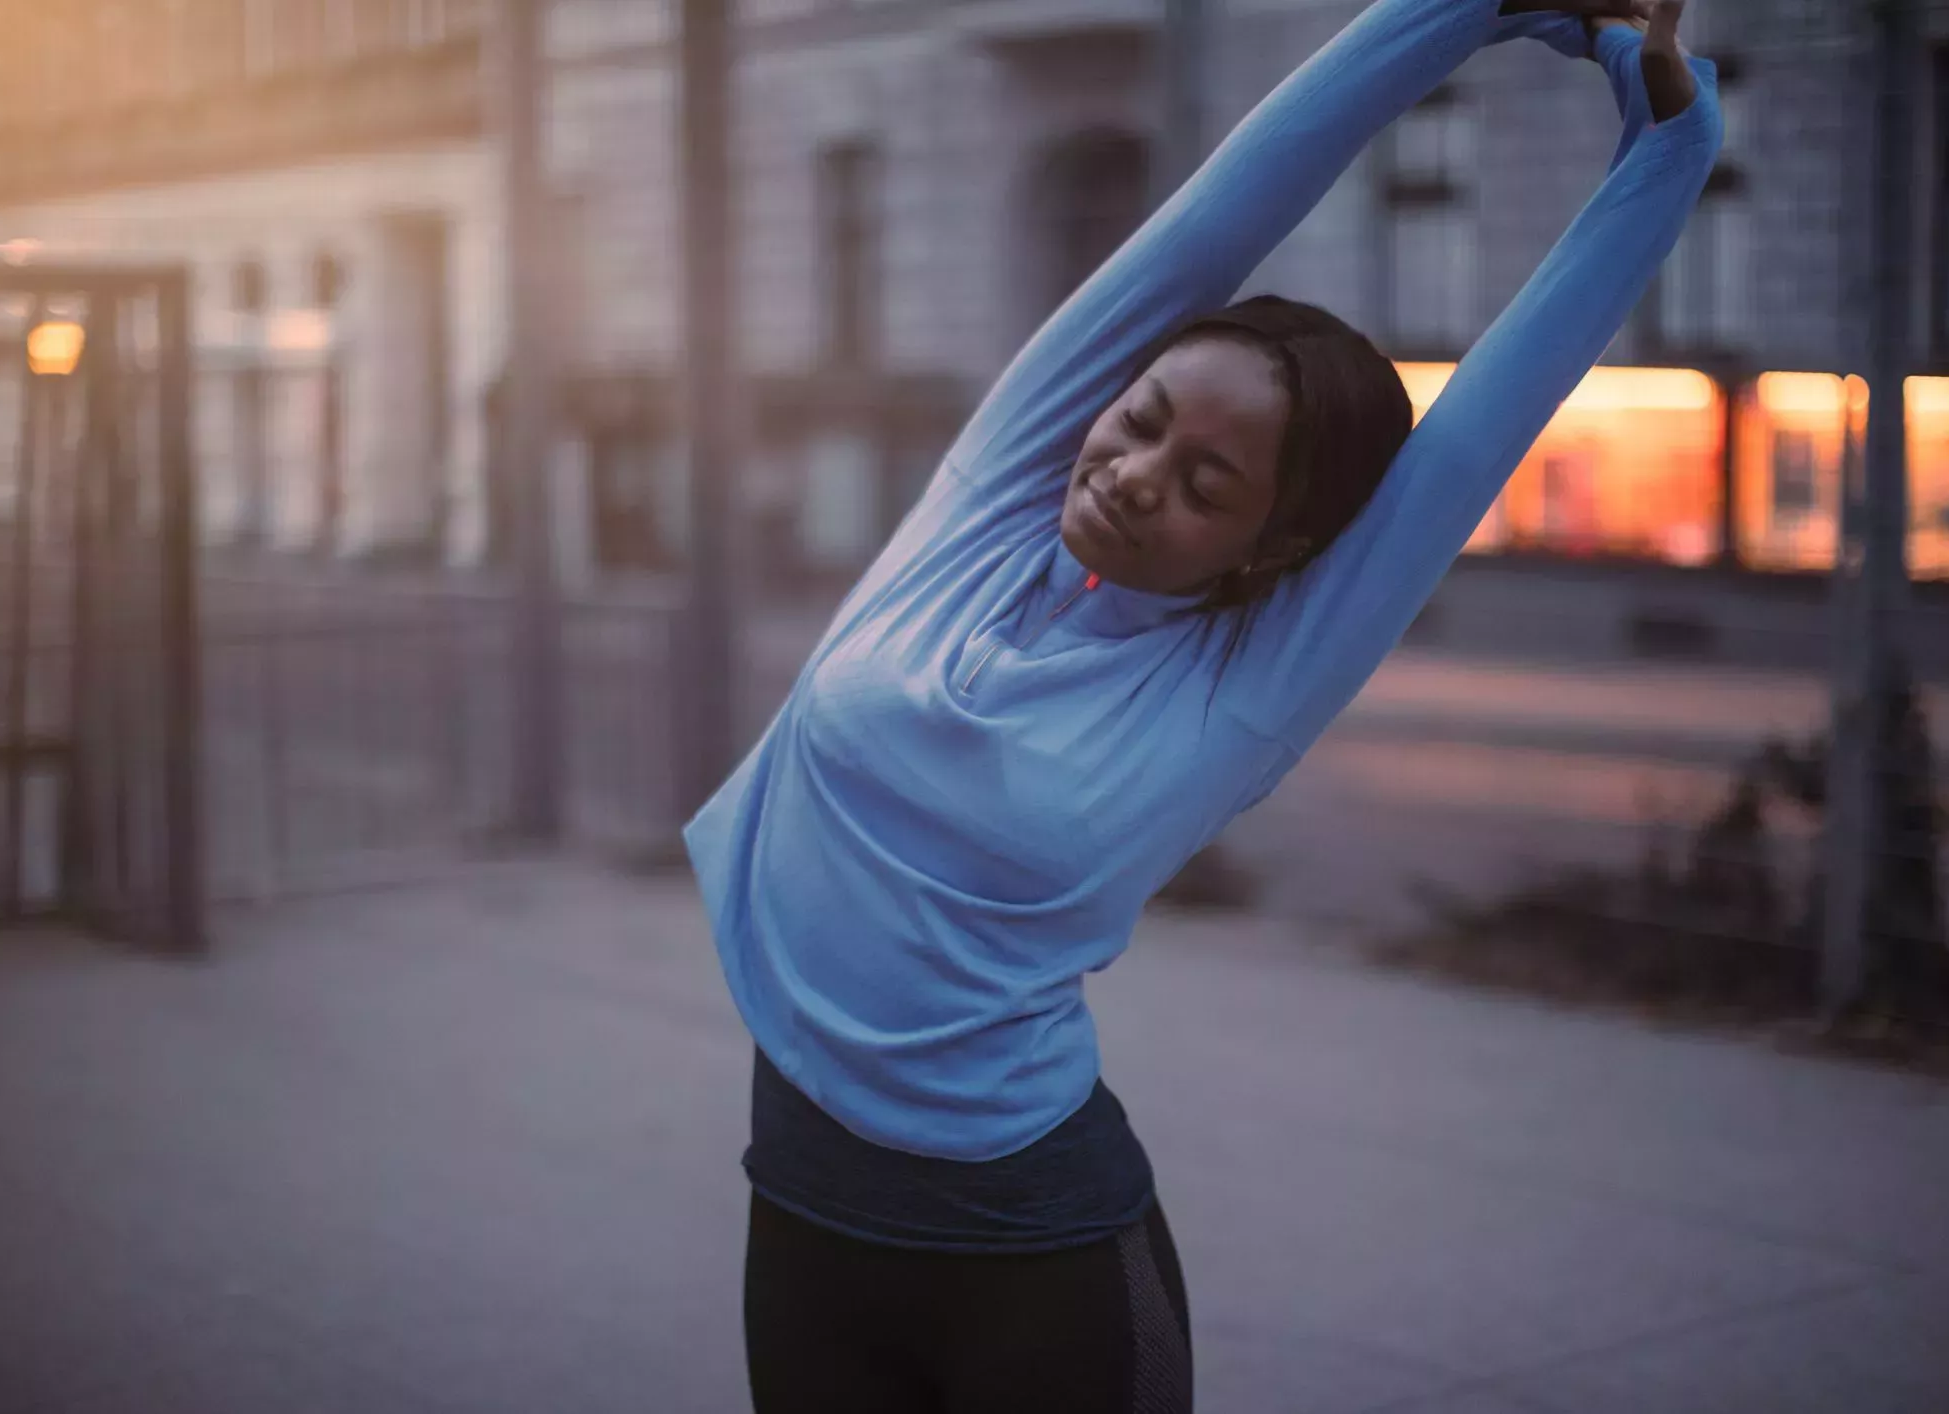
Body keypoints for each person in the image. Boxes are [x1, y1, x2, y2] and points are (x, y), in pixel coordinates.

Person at [685, 2, 1721, 1408]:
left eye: (1209, 485)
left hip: (1027, 1258)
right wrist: (1459, 10)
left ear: (1273, 550)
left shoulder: (1243, 687)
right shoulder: (986, 507)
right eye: (1147, 416)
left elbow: (1491, 413)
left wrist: (1668, 147)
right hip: (797, 1198)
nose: (1136, 470)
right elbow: (1216, 215)